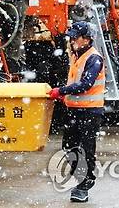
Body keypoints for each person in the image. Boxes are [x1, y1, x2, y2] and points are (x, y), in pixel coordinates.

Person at [48, 21, 105, 203]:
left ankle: (84, 184)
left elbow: (86, 84)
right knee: (69, 148)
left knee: (86, 149)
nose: (72, 40)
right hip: (73, 110)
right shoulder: (76, 56)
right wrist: (64, 96)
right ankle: (80, 179)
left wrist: (62, 90)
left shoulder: (94, 58)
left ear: (87, 39)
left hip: (89, 112)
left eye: (75, 37)